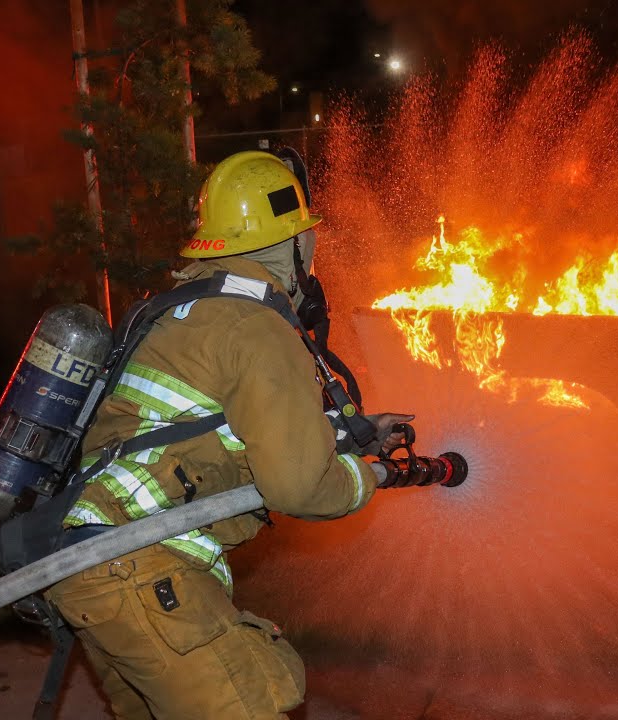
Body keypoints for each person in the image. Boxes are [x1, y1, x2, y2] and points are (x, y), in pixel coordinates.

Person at [44, 151, 410, 719]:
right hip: (139, 566)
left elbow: (216, 429)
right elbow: (297, 487)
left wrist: (353, 435)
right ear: (294, 244)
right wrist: (367, 478)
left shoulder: (181, 312)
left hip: (90, 564)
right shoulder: (256, 327)